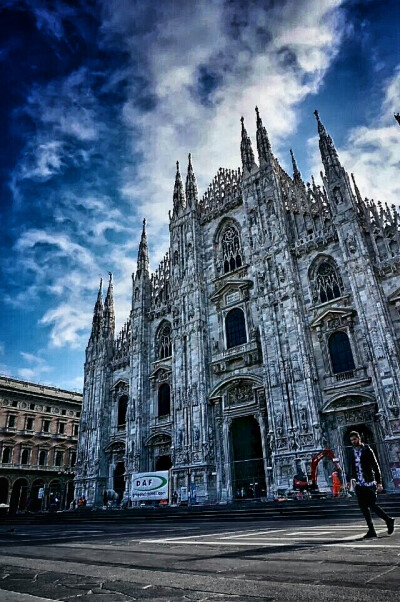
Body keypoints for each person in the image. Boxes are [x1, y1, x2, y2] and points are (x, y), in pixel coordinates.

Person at [347, 431, 395, 539]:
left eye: (355, 439)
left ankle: (388, 520)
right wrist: (347, 480)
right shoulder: (351, 452)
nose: (353, 442)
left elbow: (375, 466)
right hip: (359, 483)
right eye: (351, 440)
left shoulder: (367, 449)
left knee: (372, 505)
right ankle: (371, 530)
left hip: (369, 482)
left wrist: (379, 482)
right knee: (363, 507)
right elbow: (349, 466)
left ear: (359, 438)